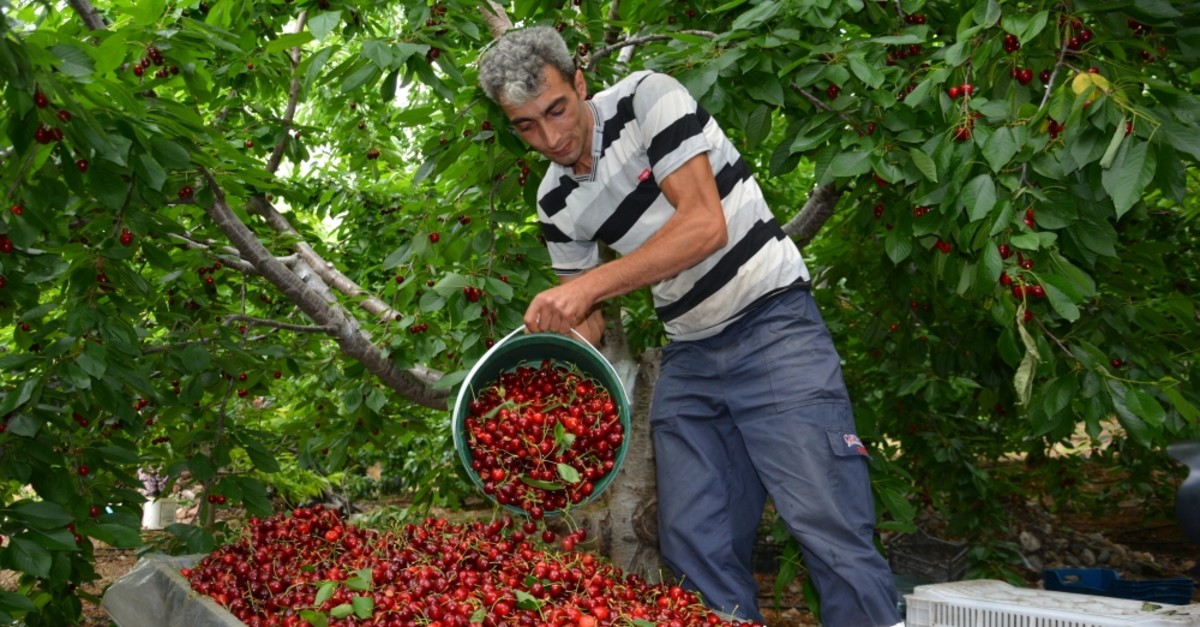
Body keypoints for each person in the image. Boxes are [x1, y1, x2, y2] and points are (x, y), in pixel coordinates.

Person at [478, 26, 901, 626]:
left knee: (829, 527)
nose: (550, 137)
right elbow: (587, 325)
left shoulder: (649, 98)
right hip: (692, 351)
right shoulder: (554, 202)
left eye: (556, 110)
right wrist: (534, 405)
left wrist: (585, 288)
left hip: (773, 322)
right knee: (692, 541)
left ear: (580, 83)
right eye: (526, 126)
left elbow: (705, 225)